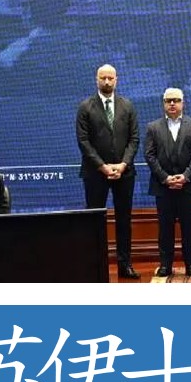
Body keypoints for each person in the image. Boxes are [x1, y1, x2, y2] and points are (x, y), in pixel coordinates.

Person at [77, 64, 141, 279]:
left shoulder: (127, 105)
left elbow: (134, 139)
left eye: (110, 78)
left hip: (124, 172)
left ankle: (125, 265)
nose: (106, 82)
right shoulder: (85, 107)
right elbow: (83, 141)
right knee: (94, 221)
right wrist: (103, 166)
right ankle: (94, 266)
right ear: (96, 79)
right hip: (95, 173)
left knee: (124, 220)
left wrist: (123, 164)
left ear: (116, 80)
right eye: (103, 78)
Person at [143, 88, 191, 277]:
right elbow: (149, 155)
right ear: (163, 103)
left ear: (183, 103)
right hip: (163, 187)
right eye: (168, 100)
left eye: (176, 100)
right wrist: (165, 178)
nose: (172, 104)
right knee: (165, 229)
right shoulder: (153, 127)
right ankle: (165, 265)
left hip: (188, 186)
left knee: (188, 228)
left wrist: (185, 176)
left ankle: (190, 264)